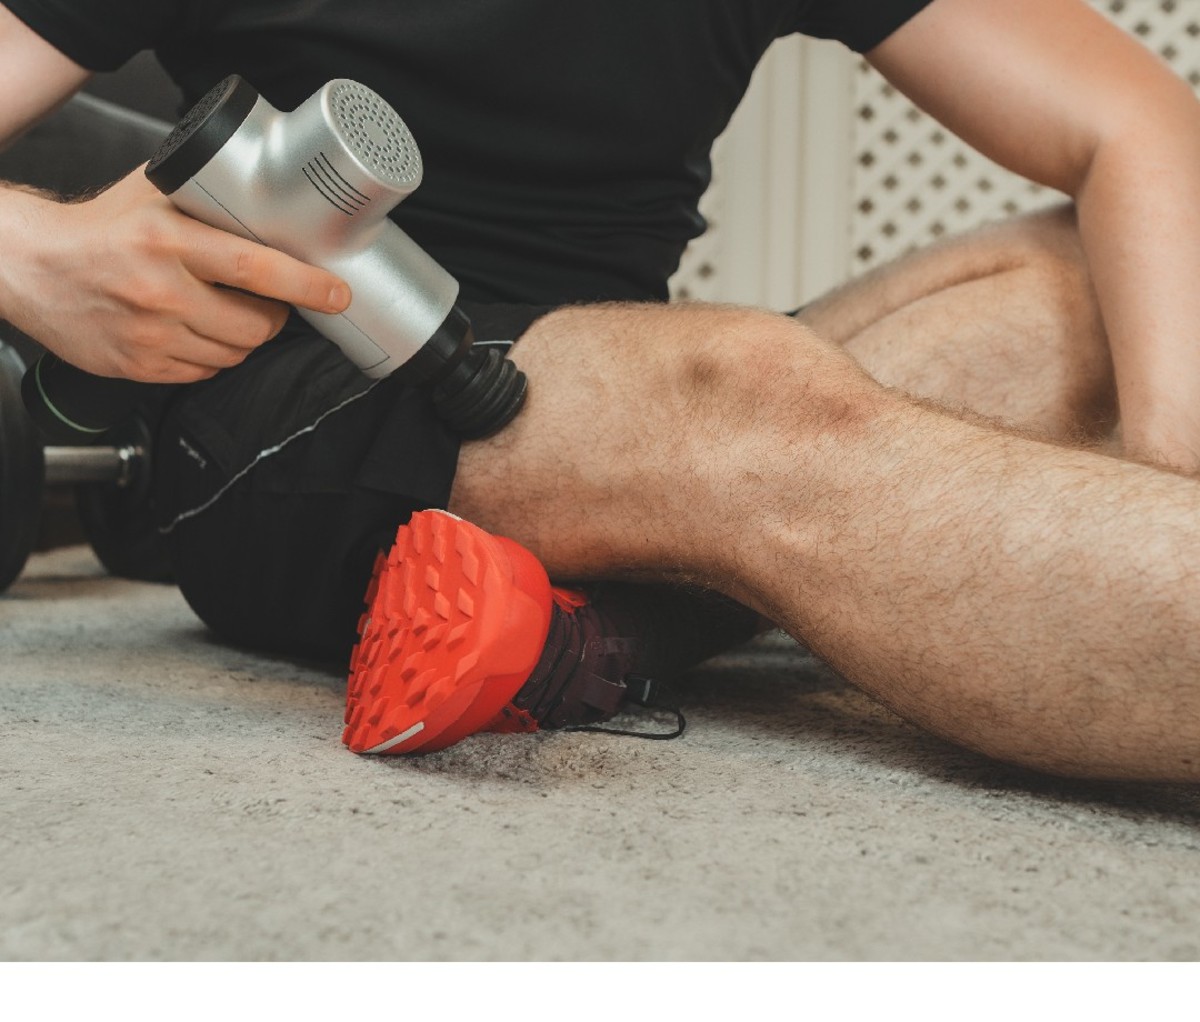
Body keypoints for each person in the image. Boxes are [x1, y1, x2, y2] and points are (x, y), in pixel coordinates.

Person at [2, 0, 1199, 780]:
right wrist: (38, 253)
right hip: (296, 408)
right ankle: (738, 526)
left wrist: (1167, 468)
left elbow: (1129, 119)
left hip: (625, 382)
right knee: (745, 392)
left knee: (1079, 281)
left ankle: (623, 625)